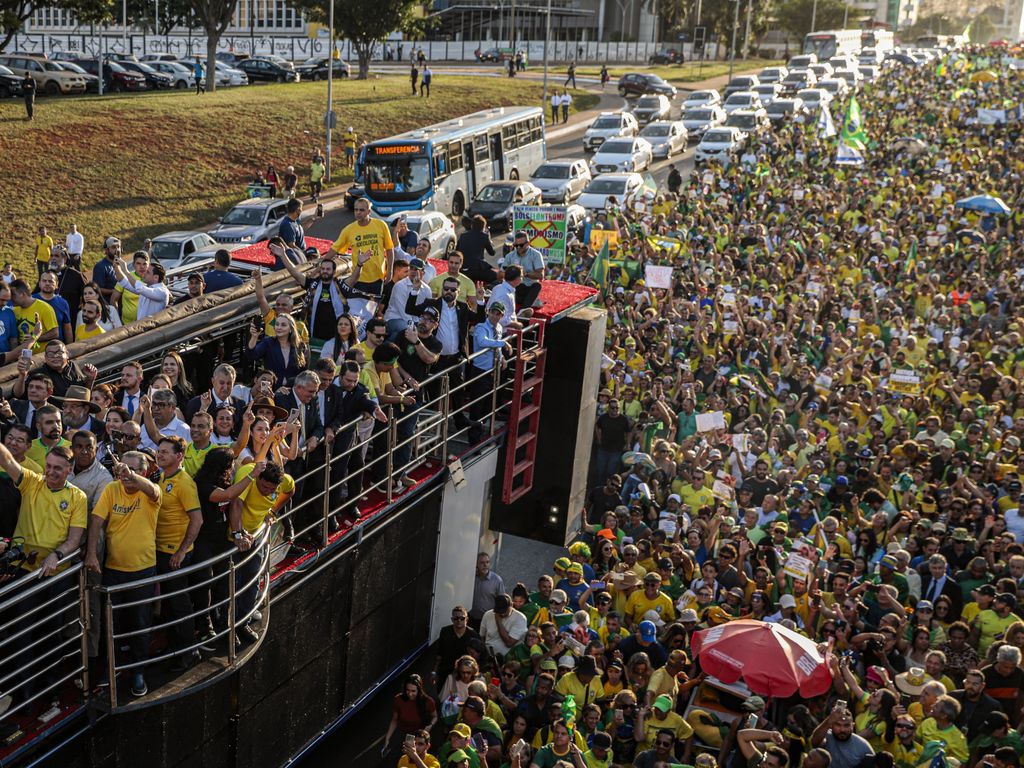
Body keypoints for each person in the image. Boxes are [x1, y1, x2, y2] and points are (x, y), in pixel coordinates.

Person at [84, 449, 161, 697]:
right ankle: (113, 668)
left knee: (140, 622)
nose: (125, 475)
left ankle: (138, 671)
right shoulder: (112, 489)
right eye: (122, 470)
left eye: (132, 470)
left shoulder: (150, 491)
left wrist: (132, 476)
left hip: (142, 570)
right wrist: (91, 554)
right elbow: (96, 520)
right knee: (112, 624)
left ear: (144, 471)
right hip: (113, 569)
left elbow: (152, 490)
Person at [329, 198, 395, 319]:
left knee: (372, 313)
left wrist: (390, 270)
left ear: (369, 211)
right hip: (359, 279)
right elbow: (335, 249)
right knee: (358, 314)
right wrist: (323, 262)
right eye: (356, 210)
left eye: (362, 210)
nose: (358, 213)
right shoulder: (348, 230)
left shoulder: (380, 225)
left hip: (377, 278)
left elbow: (389, 249)